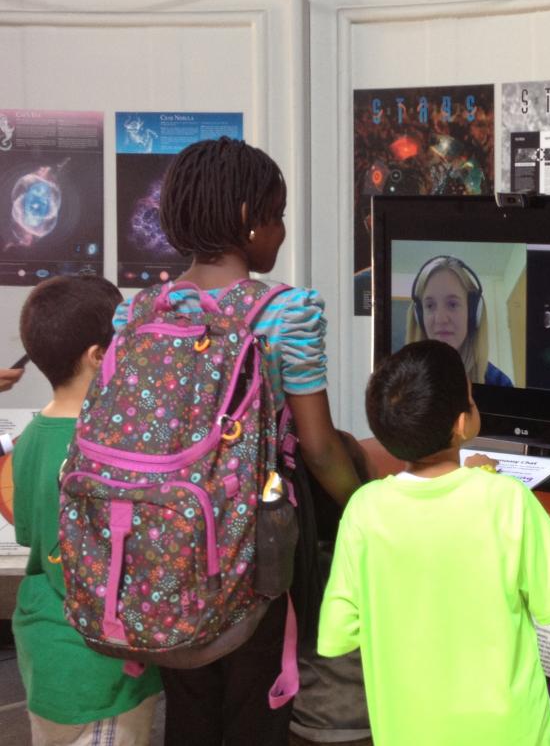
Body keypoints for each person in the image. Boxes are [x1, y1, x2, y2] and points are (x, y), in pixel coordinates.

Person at [112, 137, 363, 746]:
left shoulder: (136, 313)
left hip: (158, 548)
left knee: (190, 707)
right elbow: (320, 447)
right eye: (276, 216)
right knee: (256, 709)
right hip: (256, 554)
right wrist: (368, 505)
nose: (280, 232)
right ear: (252, 221)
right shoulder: (285, 313)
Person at [317, 339, 550, 746]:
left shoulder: (363, 511)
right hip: (509, 733)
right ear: (462, 424)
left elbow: (339, 632)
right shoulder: (505, 500)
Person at [13, 275, 163, 745]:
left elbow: (31, 535)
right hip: (100, 667)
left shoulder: (28, 439)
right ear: (99, 356)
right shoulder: (110, 446)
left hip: (44, 648)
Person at [404, 254, 513, 386]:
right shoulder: (403, 383)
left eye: (452, 304)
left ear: (473, 312)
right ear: (419, 315)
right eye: (430, 305)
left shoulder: (499, 383)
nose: (441, 319)